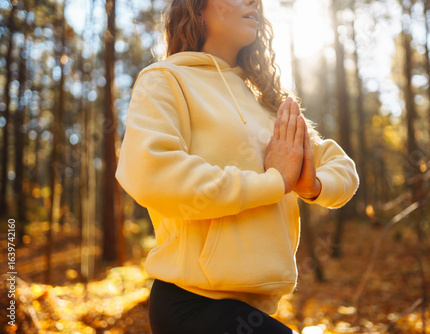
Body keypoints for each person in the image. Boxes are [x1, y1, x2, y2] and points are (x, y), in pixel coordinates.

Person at [115, 0, 359, 332]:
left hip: (254, 308)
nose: (252, 1)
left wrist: (310, 184)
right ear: (197, 9)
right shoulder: (166, 79)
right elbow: (150, 173)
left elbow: (341, 166)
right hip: (191, 303)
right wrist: (274, 182)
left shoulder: (265, 101)